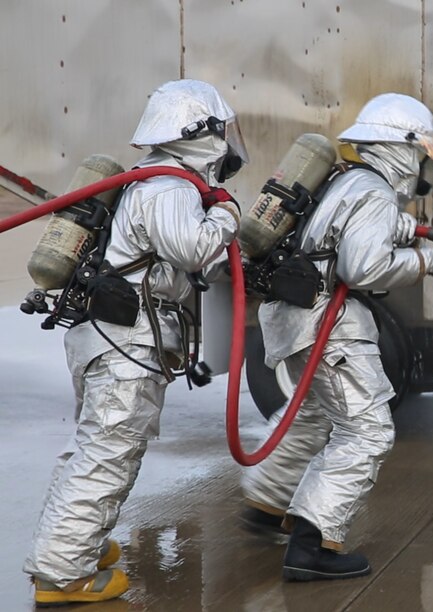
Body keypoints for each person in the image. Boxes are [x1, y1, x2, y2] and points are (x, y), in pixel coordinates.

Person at [24, 79, 245, 606]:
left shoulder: (153, 180)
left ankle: (77, 543)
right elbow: (193, 249)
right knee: (107, 453)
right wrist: (227, 213)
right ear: (200, 133)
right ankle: (63, 574)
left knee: (95, 448)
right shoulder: (169, 187)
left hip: (107, 333)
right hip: (126, 338)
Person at [239, 93, 433, 582]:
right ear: (401, 148)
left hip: (298, 322)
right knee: (367, 431)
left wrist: (426, 234)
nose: (423, 164)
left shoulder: (349, 179)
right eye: (420, 152)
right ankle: (312, 544)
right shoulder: (374, 192)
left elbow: (355, 232)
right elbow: (363, 266)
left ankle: (267, 500)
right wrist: (432, 261)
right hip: (329, 329)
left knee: (318, 413)